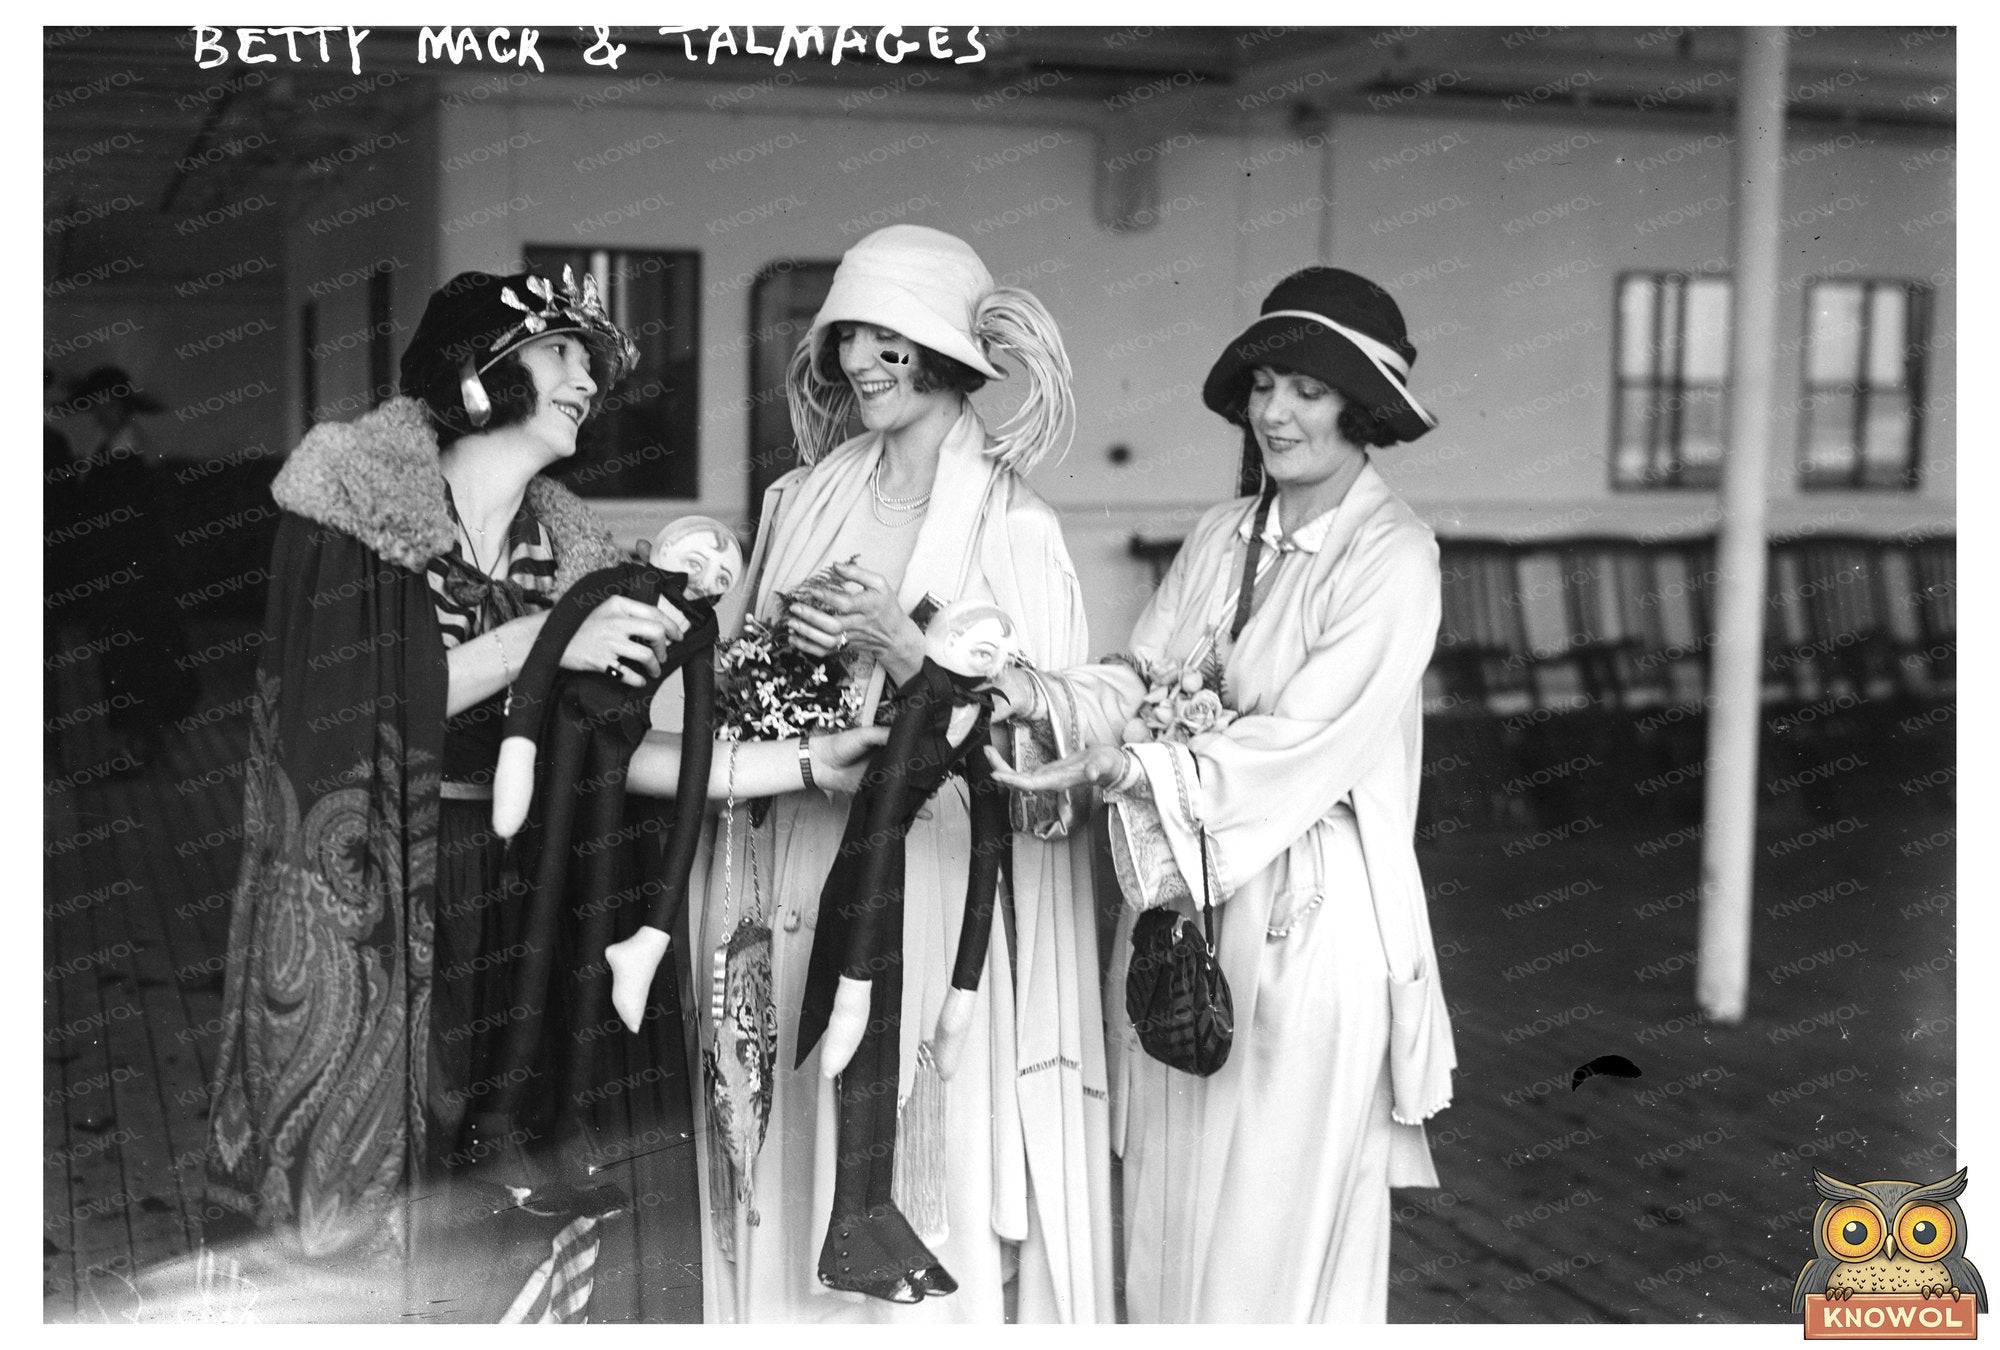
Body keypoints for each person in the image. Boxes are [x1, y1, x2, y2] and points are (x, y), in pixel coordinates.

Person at [202, 268, 884, 1263]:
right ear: (479, 368)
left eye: (592, 365)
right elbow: (339, 715)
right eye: (561, 351)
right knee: (372, 1190)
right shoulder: (346, 504)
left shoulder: (571, 555)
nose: (585, 381)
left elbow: (616, 761)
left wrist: (808, 762)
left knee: (496, 1209)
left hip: (524, 896)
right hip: (381, 895)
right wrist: (541, 642)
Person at [986, 266, 1460, 1322]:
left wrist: (1132, 766)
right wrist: (1035, 693)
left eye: (1305, 388)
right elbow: (1143, 674)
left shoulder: (1392, 558)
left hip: (1306, 909)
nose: (1275, 412)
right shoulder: (1221, 534)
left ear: (1361, 405)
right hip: (1185, 894)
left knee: (1267, 1224)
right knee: (1169, 1191)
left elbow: (1307, 741)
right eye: (1262, 389)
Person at [693, 224, 1113, 1322]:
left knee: (904, 1126)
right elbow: (737, 674)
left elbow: (1051, 760)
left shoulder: (1017, 526)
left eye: (894, 340)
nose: (864, 363)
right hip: (791, 856)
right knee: (785, 1126)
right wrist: (765, 677)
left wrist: (902, 649)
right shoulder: (800, 500)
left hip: (924, 880)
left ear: (950, 355)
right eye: (849, 339)